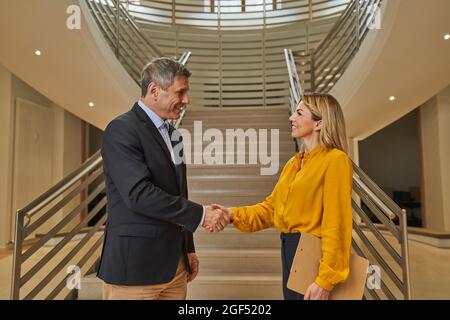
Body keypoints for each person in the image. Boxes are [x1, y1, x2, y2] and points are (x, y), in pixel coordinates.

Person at [98, 57, 228, 300]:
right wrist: (201, 215)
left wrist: (187, 248)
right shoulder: (121, 129)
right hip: (134, 271)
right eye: (181, 92)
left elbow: (179, 193)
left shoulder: (174, 135)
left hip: (175, 269)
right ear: (154, 90)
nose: (187, 100)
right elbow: (139, 195)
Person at [214, 93, 353, 300]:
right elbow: (271, 208)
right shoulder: (294, 164)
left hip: (313, 253)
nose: (291, 118)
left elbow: (337, 223)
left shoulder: (335, 160)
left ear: (319, 123)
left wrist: (326, 279)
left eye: (299, 113)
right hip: (289, 248)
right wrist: (232, 214)